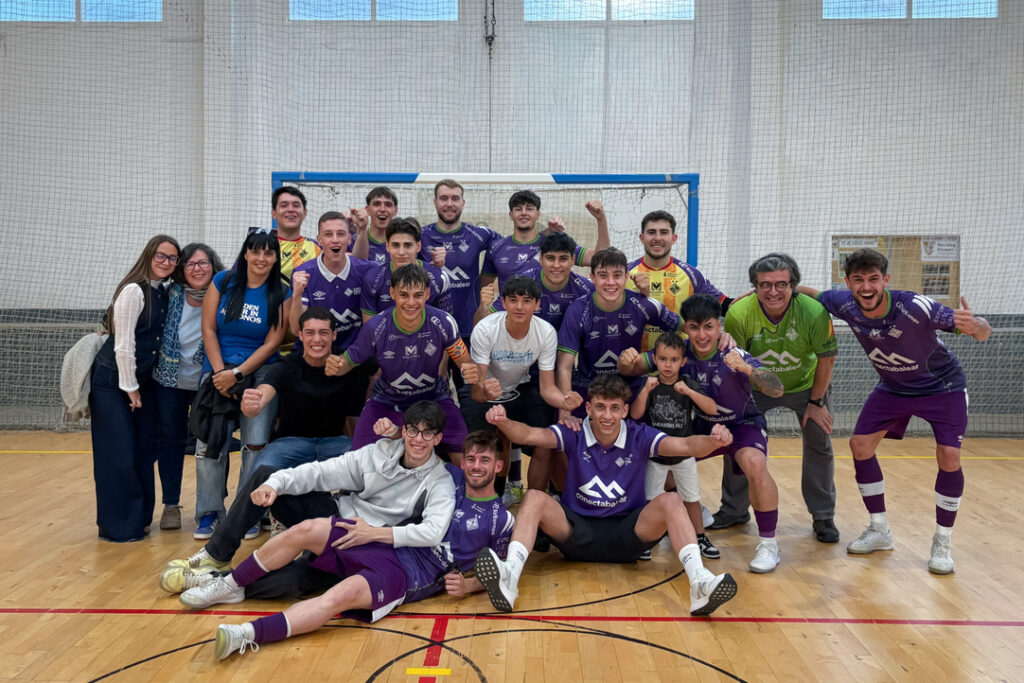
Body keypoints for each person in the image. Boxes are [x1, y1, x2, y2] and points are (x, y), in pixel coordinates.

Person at [178, 412, 512, 661]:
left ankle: (245, 633)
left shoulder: (489, 510)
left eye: (485, 461)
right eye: (471, 459)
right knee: (304, 526)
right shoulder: (453, 478)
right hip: (368, 536)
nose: (476, 466)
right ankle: (225, 581)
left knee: (328, 592)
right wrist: (395, 434)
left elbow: (498, 570)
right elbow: (330, 470)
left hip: (406, 569)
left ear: (499, 466)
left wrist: (468, 586)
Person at [474, 374, 737, 616]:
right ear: (588, 409)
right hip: (576, 533)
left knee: (671, 500)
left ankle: (699, 582)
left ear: (625, 410)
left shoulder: (639, 435)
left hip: (628, 535)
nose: (607, 415)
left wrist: (714, 441)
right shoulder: (575, 432)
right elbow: (530, 434)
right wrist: (502, 421)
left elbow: (687, 445)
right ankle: (509, 576)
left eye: (614, 408)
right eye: (600, 407)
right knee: (533, 497)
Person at [809, 248, 991, 574]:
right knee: (860, 445)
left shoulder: (916, 306)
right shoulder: (843, 303)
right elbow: (812, 293)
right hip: (894, 388)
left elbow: (982, 332)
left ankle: (942, 541)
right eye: (858, 280)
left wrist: (976, 325)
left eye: (873, 279)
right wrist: (770, 290)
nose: (866, 287)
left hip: (942, 387)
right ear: (848, 283)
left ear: (886, 280)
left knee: (949, 456)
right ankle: (879, 529)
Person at [620, 294, 786, 573]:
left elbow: (777, 389)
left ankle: (769, 544)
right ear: (685, 327)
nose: (702, 335)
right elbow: (633, 366)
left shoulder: (733, 352)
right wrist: (626, 361)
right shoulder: (677, 352)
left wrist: (745, 368)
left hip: (741, 424)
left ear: (719, 326)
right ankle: (686, 515)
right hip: (701, 426)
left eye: (709, 326)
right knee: (663, 465)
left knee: (755, 464)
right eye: (694, 327)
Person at [718, 253, 839, 543]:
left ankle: (823, 515)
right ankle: (734, 510)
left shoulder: (814, 312)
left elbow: (827, 358)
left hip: (807, 385)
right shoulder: (739, 313)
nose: (773, 292)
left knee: (819, 441)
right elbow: (736, 362)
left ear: (792, 285)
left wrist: (816, 403)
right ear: (755, 286)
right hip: (756, 387)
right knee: (737, 441)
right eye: (765, 285)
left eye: (781, 284)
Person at [328, 264, 479, 462]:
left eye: (418, 295)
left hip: (434, 398)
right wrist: (335, 365)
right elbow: (347, 362)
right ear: (392, 293)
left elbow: (465, 363)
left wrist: (470, 371)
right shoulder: (375, 327)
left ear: (427, 294)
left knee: (466, 459)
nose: (411, 302)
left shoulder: (444, 322)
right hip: (387, 402)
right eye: (404, 295)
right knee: (357, 461)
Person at [196, 227, 289, 540]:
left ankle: (247, 513)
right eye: (256, 251)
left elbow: (273, 341)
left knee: (255, 445)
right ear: (246, 254)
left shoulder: (281, 290)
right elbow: (208, 329)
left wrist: (237, 375)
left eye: (268, 252)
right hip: (218, 370)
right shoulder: (223, 281)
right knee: (209, 445)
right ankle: (208, 513)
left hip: (258, 373)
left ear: (275, 258)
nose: (262, 258)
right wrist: (220, 374)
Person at [90, 234, 180, 542]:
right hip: (112, 382)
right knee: (118, 453)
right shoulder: (133, 290)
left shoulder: (165, 291)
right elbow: (124, 344)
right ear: (148, 256)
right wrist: (130, 387)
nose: (166, 262)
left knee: (144, 449)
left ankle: (140, 519)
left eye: (172, 258)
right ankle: (119, 527)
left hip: (141, 382)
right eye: (160, 256)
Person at [463, 276, 580, 499]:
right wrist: (486, 392)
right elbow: (476, 391)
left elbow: (547, 388)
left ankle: (536, 500)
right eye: (513, 300)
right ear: (503, 303)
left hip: (520, 388)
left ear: (537, 304)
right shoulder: (485, 329)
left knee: (546, 439)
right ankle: (493, 499)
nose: (519, 307)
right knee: (483, 447)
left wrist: (565, 400)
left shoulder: (546, 332)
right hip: (485, 392)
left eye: (526, 301)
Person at [556, 247, 681, 415]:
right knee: (565, 422)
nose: (610, 282)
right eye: (603, 275)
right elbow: (564, 367)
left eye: (617, 275)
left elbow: (686, 329)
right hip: (588, 386)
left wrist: (650, 358)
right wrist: (565, 411)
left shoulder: (642, 304)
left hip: (630, 385)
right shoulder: (577, 310)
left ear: (626, 277)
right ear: (592, 277)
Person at [152, 243, 225, 531]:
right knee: (170, 440)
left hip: (208, 378)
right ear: (182, 269)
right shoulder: (170, 294)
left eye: (203, 263)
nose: (197, 269)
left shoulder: (223, 295)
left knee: (212, 442)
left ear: (213, 265)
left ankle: (212, 508)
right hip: (169, 379)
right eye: (190, 264)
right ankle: (171, 504)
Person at [629, 332, 720, 559]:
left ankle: (699, 537)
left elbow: (711, 408)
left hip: (684, 456)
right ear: (655, 359)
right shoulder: (650, 383)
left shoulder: (688, 383)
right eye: (662, 359)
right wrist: (645, 390)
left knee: (691, 498)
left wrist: (689, 392)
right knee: (651, 499)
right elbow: (635, 414)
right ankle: (647, 540)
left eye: (673, 359)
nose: (668, 365)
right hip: (655, 455)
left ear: (683, 361)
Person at [288, 211, 375, 429]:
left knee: (357, 412)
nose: (335, 240)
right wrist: (297, 295)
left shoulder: (366, 270)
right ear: (319, 240)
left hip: (353, 356)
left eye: (340, 234)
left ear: (349, 239)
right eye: (328, 234)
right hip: (316, 354)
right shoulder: (304, 273)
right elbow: (295, 329)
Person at [626, 210, 729, 353]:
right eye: (651, 232)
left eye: (664, 232)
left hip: (679, 362)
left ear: (674, 238)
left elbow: (724, 306)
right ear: (642, 238)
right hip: (634, 361)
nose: (657, 238)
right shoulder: (625, 274)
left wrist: (754, 298)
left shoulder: (691, 275)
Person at [418, 179, 500, 350]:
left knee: (468, 369)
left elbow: (513, 245)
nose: (449, 204)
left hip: (469, 328)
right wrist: (432, 268)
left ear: (463, 203)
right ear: (435, 202)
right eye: (444, 198)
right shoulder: (420, 236)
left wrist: (488, 275)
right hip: (430, 328)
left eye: (455, 198)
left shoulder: (478, 235)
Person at [480, 190, 610, 291]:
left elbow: (600, 259)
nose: (524, 213)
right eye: (518, 209)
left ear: (538, 214)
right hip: (510, 316)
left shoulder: (552, 244)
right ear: (511, 215)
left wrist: (601, 220)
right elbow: (484, 288)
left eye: (529, 208)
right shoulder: (496, 248)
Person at [475, 232, 594, 330]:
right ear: (541, 259)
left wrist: (601, 220)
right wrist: (483, 307)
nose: (556, 265)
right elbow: (481, 327)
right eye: (550, 258)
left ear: (573, 260)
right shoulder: (521, 283)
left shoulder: (585, 288)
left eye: (563, 259)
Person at [360, 218, 453, 321]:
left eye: (407, 245)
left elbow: (445, 322)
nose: (401, 252)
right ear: (387, 247)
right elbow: (370, 326)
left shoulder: (439, 277)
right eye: (395, 245)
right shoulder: (373, 278)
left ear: (418, 246)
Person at [270, 186, 320, 286]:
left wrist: (352, 229)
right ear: (274, 213)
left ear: (305, 213)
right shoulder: (260, 245)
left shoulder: (317, 248)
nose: (290, 209)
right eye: (284, 205)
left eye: (296, 205)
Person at [351, 186, 399, 265]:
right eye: (377, 204)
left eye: (388, 205)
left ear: (395, 211)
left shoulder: (403, 242)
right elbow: (356, 267)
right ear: (367, 210)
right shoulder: (354, 240)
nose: (382, 209)